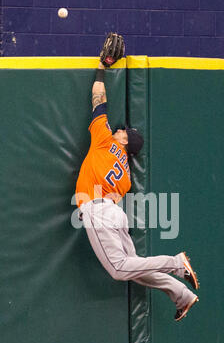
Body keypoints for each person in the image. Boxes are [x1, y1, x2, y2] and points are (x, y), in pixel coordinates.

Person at [75, 51, 199, 322]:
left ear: (124, 140)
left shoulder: (106, 141)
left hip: (97, 210)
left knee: (119, 269)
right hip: (114, 213)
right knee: (135, 269)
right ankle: (183, 294)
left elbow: (98, 100)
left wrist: (101, 68)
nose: (121, 129)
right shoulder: (127, 176)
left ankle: (176, 263)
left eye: (124, 131)